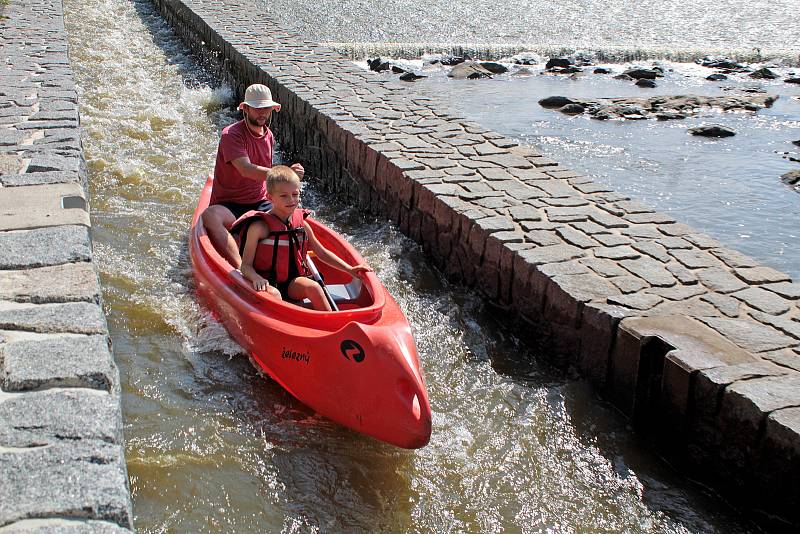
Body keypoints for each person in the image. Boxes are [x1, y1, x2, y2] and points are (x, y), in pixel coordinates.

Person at [233, 166, 372, 311]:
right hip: (263, 282)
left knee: (314, 288)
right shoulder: (259, 227)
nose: (291, 200)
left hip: (292, 283)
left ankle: (331, 324)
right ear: (269, 198)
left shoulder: (302, 225)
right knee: (275, 295)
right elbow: (246, 266)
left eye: (295, 194)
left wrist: (349, 269)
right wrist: (256, 278)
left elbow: (322, 253)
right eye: (284, 196)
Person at [202, 83, 305, 267]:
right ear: (246, 108)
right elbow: (246, 169)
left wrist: (285, 187)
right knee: (210, 216)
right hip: (229, 205)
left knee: (295, 216)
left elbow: (266, 176)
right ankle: (239, 266)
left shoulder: (269, 135)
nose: (262, 113)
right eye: (257, 108)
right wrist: (285, 173)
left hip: (260, 202)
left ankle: (297, 265)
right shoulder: (231, 135)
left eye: (266, 108)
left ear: (273, 109)